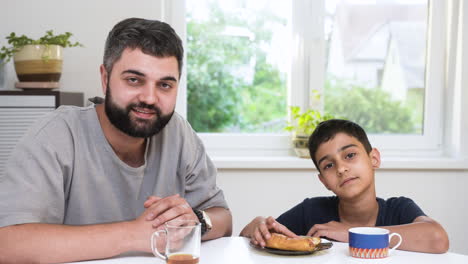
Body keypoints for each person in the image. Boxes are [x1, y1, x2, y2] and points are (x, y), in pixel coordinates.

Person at [0, 18, 232, 263]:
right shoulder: (54, 135)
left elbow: (223, 219)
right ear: (105, 77)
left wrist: (195, 221)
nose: (150, 98)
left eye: (164, 85)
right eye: (134, 80)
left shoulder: (178, 132)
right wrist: (136, 234)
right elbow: (8, 244)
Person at [240, 119, 449, 253]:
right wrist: (258, 224)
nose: (341, 169)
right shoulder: (311, 211)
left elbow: (438, 239)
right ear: (323, 181)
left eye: (350, 155)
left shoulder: (399, 209)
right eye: (329, 165)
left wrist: (353, 232)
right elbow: (246, 236)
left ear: (374, 159)